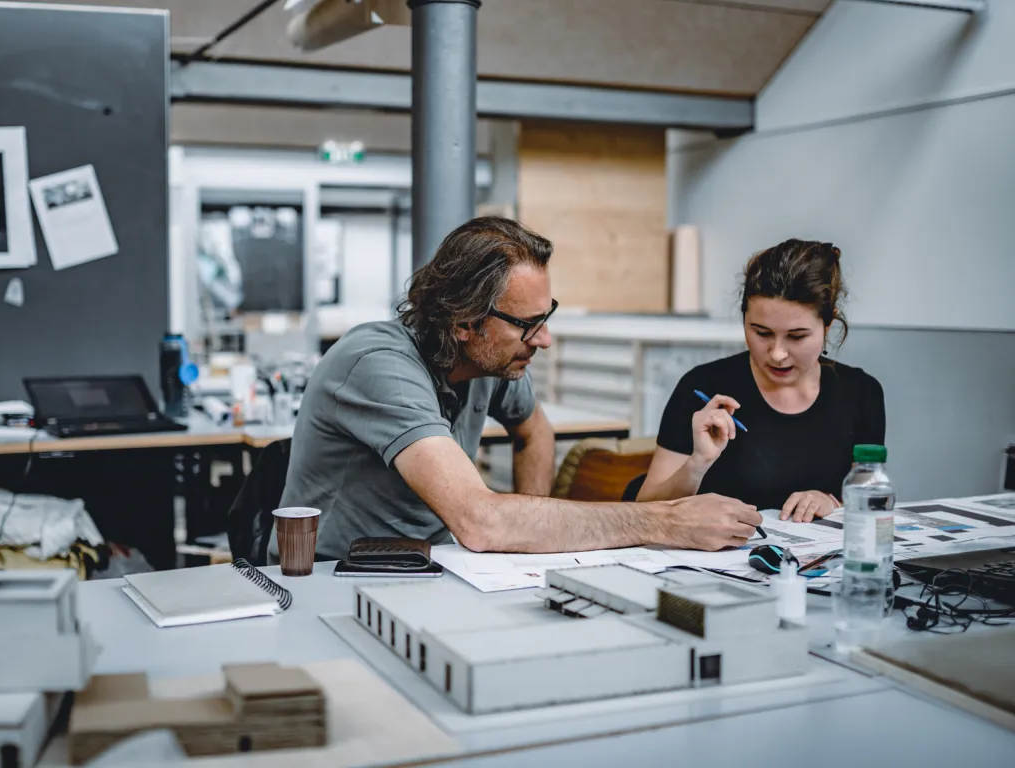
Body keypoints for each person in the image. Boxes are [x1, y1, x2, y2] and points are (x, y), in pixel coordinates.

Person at [270, 216, 761, 561]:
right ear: (464, 323)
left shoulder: (495, 362)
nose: (543, 339)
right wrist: (665, 522)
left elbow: (535, 433)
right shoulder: (378, 365)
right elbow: (481, 522)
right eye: (528, 324)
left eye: (546, 318)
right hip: (333, 577)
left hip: (435, 565)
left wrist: (525, 552)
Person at [637, 239, 885, 523]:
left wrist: (833, 503)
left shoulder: (861, 393)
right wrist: (697, 462)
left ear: (828, 324)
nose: (777, 354)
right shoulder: (703, 387)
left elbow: (871, 504)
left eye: (797, 336)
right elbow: (645, 510)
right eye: (762, 333)